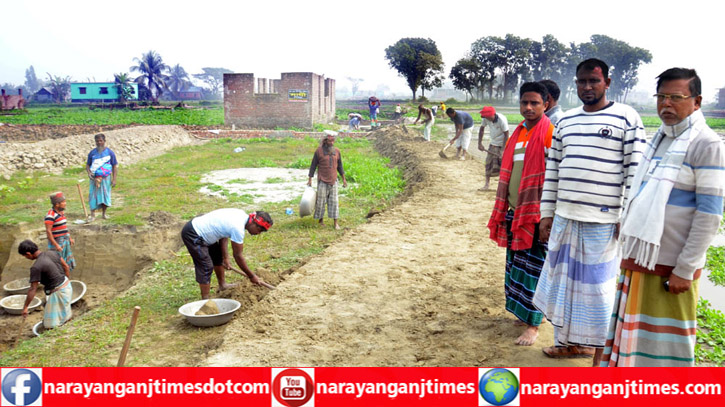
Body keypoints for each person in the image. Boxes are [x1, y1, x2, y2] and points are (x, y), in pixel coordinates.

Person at [601, 68, 725, 367]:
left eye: (676, 97)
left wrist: (685, 268)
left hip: (670, 268)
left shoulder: (706, 144)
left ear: (696, 102)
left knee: (665, 348)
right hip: (640, 260)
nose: (666, 104)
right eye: (661, 96)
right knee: (633, 341)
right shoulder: (659, 139)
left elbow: (709, 216)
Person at [532, 58, 646, 363]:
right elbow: (552, 171)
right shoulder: (566, 122)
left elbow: (635, 173)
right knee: (565, 287)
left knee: (597, 291)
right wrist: (546, 214)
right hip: (565, 219)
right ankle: (570, 344)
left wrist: (627, 215)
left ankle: (599, 353)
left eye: (593, 81)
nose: (587, 87)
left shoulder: (627, 117)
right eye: (581, 81)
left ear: (607, 83)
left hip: (603, 222)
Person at [487, 82, 554, 346]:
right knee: (516, 266)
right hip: (515, 212)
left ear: (545, 104)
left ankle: (534, 325)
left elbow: (555, 178)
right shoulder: (518, 133)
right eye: (524, 102)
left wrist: (548, 217)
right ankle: (524, 313)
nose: (528, 107)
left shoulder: (549, 134)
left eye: (534, 103)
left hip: (537, 216)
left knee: (534, 271)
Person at [181, 209, 273, 299]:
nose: (259, 233)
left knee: (218, 257)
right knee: (206, 266)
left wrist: (225, 258)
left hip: (206, 233)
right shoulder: (238, 228)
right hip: (194, 233)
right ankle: (205, 300)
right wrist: (252, 276)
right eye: (260, 230)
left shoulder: (241, 215)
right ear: (253, 222)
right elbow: (238, 256)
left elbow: (224, 234)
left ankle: (222, 285)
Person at [18, 239, 72, 328]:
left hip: (58, 293)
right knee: (65, 313)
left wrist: (25, 307)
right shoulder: (52, 253)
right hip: (67, 286)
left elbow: (33, 289)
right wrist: (65, 282)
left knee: (51, 325)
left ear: (28, 254)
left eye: (25, 256)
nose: (26, 258)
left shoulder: (36, 267)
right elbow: (66, 266)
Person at [308, 131, 348, 229]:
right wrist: (310, 179)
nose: (331, 142)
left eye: (333, 140)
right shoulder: (319, 151)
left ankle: (335, 223)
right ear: (325, 141)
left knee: (334, 202)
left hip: (333, 180)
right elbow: (313, 166)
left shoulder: (337, 151)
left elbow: (340, 166)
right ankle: (320, 220)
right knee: (321, 201)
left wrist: (344, 179)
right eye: (329, 140)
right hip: (322, 179)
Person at [85, 133, 118, 221]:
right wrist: (89, 173)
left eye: (101, 141)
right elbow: (88, 165)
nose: (99, 143)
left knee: (105, 196)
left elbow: (114, 166)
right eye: (97, 141)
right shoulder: (92, 153)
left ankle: (104, 214)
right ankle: (92, 215)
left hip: (106, 178)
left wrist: (114, 179)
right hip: (94, 179)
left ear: (104, 141)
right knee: (93, 196)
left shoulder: (110, 153)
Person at [478, 106, 510, 190]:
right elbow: (481, 129)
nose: (484, 118)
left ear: (491, 115)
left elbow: (507, 134)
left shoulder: (501, 120)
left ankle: (503, 186)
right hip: (493, 143)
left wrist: (503, 150)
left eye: (486, 116)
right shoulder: (486, 119)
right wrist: (479, 143)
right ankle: (486, 185)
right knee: (488, 163)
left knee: (503, 166)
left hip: (502, 144)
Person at [45, 192, 76, 273]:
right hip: (57, 242)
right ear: (57, 204)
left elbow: (64, 227)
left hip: (64, 241)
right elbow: (48, 231)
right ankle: (62, 280)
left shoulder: (61, 213)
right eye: (63, 202)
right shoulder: (50, 215)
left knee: (65, 262)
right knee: (59, 263)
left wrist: (69, 238)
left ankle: (65, 279)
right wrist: (56, 245)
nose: (65, 204)